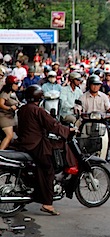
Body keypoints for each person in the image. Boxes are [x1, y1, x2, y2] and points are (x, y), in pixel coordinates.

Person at [16, 85, 76, 216]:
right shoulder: (38, 111)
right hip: (35, 145)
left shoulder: (23, 109)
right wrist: (67, 130)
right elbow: (52, 125)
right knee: (48, 170)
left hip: (23, 144)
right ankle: (47, 204)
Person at [0, 76, 21, 150]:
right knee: (9, 135)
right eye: (15, 84)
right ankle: (1, 152)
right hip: (4, 116)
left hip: (11, 116)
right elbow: (1, 104)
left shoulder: (13, 93)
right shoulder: (5, 93)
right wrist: (10, 108)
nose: (17, 85)